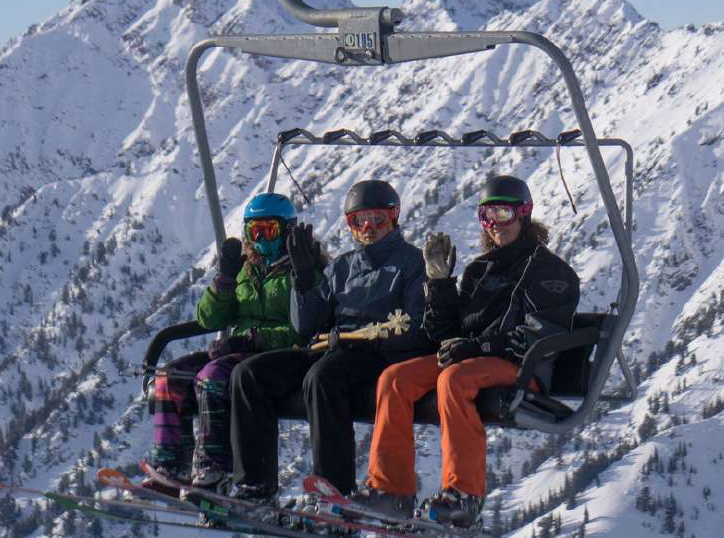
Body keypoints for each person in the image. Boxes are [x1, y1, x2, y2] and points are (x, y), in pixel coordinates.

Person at [357, 174, 580, 527]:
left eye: (503, 214)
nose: (495, 224)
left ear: (524, 213)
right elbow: (449, 333)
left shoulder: (550, 272)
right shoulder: (480, 269)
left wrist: (476, 346)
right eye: (487, 216)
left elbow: (536, 337)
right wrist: (440, 284)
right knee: (395, 379)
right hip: (475, 360)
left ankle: (463, 495)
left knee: (454, 379)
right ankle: (391, 491)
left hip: (522, 368)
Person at [227, 179, 431, 508]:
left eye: (377, 219)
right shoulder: (342, 266)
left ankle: (334, 493)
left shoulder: (412, 264)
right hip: (333, 348)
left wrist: (371, 339)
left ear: (393, 218)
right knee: (248, 374)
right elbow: (305, 325)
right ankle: (255, 486)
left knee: (323, 377)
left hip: (379, 354)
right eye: (358, 221)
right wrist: (303, 278)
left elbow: (417, 326)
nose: (368, 228)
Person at [144, 192, 314, 494]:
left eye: (269, 230)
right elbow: (209, 318)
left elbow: (305, 329)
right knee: (171, 376)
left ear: (288, 231)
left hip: (278, 356)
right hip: (238, 351)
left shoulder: (303, 270)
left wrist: (252, 339)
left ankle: (214, 468)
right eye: (254, 231)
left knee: (212, 377)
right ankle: (171, 466)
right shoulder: (246, 270)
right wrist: (224, 279)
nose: (261, 239)